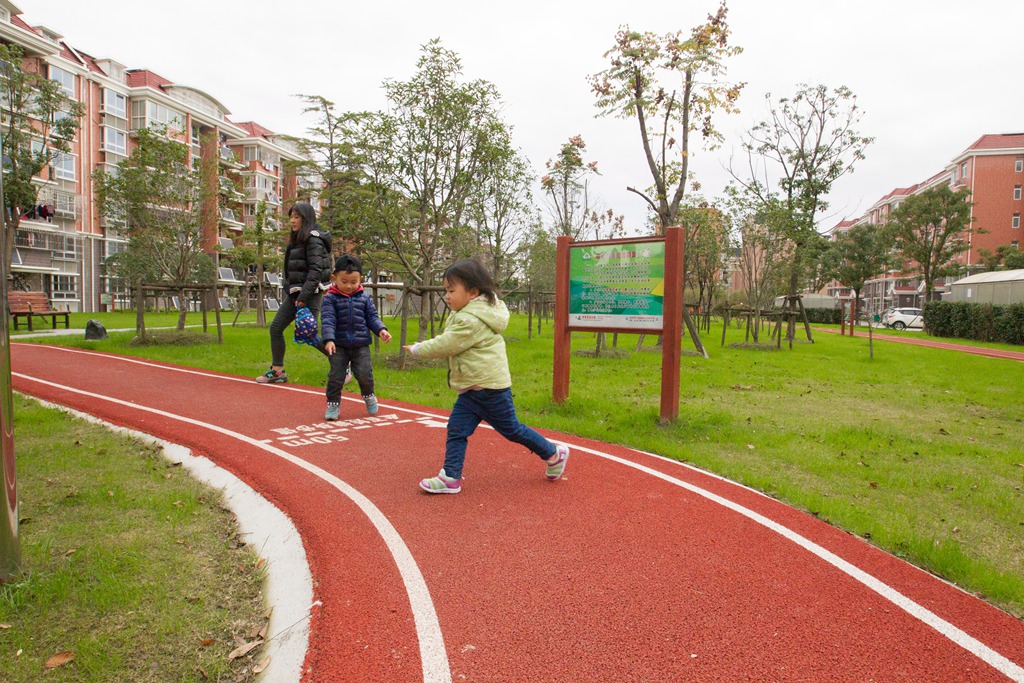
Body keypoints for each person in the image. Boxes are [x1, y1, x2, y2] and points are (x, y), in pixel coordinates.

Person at [404, 259, 569, 494]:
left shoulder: (470, 319)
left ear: (473, 292)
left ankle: (554, 453)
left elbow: (447, 344)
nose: (447, 296)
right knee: (456, 429)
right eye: (445, 291)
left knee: (512, 429)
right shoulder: (471, 313)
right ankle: (450, 476)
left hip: (490, 389)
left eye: (451, 291)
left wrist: (419, 348)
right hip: (472, 389)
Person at [255, 202, 332, 384]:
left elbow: (316, 272)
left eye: (296, 217)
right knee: (276, 328)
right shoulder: (297, 239)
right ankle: (277, 371)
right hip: (295, 295)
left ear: (306, 219)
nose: (292, 220)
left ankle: (343, 364)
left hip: (309, 294)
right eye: (291, 217)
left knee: (311, 335)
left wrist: (304, 297)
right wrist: (291, 291)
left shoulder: (313, 240)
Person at [321, 254, 392, 420]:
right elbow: (328, 320)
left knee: (364, 373)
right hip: (338, 345)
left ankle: (368, 395)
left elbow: (372, 317)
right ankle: (333, 404)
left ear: (360, 279)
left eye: (353, 282)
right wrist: (329, 339)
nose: (348, 286)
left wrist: (381, 330)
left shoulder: (365, 298)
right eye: (344, 281)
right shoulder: (330, 299)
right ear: (334, 278)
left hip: (360, 344)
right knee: (336, 376)